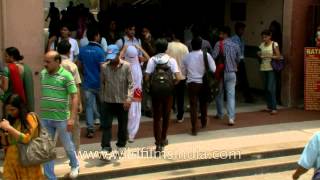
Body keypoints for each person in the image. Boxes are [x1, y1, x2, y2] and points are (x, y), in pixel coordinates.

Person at [40, 51, 79, 179]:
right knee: (47, 148)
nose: (45, 64)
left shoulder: (67, 76)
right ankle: (50, 176)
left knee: (68, 145)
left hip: (62, 118)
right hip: (46, 118)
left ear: (57, 62)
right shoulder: (43, 74)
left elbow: (74, 96)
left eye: (48, 62)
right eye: (44, 61)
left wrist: (72, 119)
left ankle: (74, 165)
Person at [145, 38, 180, 153]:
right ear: (166, 48)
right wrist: (171, 85)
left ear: (156, 48)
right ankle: (164, 139)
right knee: (166, 116)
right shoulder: (171, 60)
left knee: (156, 118)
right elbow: (178, 78)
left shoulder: (152, 60)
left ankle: (158, 143)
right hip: (168, 93)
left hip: (155, 93)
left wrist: (150, 87)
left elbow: (146, 77)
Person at [0, 94, 45, 180]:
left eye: (12, 109)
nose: (10, 112)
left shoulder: (31, 117)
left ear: (20, 107)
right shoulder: (11, 120)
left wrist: (9, 128)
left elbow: (26, 138)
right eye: (8, 110)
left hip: (27, 162)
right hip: (11, 163)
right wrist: (2, 134)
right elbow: (6, 144)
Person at [100, 44, 134, 153]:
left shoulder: (126, 66)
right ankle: (105, 147)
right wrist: (102, 98)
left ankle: (121, 145)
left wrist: (128, 99)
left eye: (113, 56)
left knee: (122, 125)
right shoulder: (104, 67)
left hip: (122, 100)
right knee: (106, 125)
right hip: (108, 100)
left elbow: (131, 84)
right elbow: (103, 83)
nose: (111, 59)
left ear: (119, 54)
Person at [181, 37, 216, 135]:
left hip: (192, 83)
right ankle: (203, 122)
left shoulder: (186, 56)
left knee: (193, 106)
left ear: (191, 45)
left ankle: (194, 128)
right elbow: (213, 69)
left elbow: (183, 71)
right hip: (204, 82)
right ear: (201, 45)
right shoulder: (206, 55)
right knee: (203, 103)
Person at [77, 27, 105, 138]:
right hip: (99, 83)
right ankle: (103, 124)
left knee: (88, 107)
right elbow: (102, 69)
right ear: (96, 36)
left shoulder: (82, 50)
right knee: (102, 105)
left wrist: (85, 74)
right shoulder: (100, 51)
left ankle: (90, 129)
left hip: (88, 83)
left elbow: (79, 66)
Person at [57, 40, 83, 152]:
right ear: (69, 51)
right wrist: (79, 103)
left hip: (56, 98)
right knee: (75, 127)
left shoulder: (54, 65)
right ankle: (74, 151)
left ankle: (49, 151)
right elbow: (77, 86)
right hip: (70, 100)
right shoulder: (72, 66)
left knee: (54, 127)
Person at [212, 26, 241, 126]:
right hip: (232, 73)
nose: (219, 35)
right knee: (231, 96)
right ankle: (231, 118)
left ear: (225, 34)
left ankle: (220, 113)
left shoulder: (218, 44)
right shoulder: (236, 45)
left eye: (220, 33)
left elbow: (213, 57)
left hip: (220, 73)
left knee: (219, 94)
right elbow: (239, 59)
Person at [121, 45, 150, 143]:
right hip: (137, 93)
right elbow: (148, 58)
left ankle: (125, 133)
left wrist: (124, 49)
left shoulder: (124, 63)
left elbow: (119, 57)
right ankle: (131, 135)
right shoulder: (138, 60)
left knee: (127, 114)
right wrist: (140, 48)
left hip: (127, 93)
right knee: (135, 114)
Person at [166, 35, 189, 123]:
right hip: (181, 75)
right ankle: (180, 116)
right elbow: (187, 61)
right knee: (180, 96)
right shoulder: (184, 47)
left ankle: (168, 112)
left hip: (170, 75)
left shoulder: (168, 45)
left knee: (169, 95)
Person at [257, 29, 281, 115]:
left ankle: (274, 107)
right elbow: (259, 54)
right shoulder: (261, 45)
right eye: (263, 37)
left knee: (271, 88)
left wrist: (269, 55)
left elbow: (278, 56)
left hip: (271, 68)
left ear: (270, 36)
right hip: (263, 67)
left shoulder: (274, 44)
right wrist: (259, 54)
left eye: (266, 37)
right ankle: (269, 106)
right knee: (266, 88)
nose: (264, 39)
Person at [5, 47, 35, 112]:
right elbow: (29, 93)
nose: (5, 58)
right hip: (23, 106)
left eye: (6, 56)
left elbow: (5, 89)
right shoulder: (27, 69)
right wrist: (31, 111)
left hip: (11, 106)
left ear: (11, 57)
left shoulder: (8, 69)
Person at [231, 22, 253, 103]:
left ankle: (248, 97)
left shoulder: (241, 39)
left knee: (243, 80)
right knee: (235, 79)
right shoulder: (233, 39)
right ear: (236, 30)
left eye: (243, 29)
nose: (242, 31)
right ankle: (248, 97)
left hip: (241, 61)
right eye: (241, 29)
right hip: (235, 62)